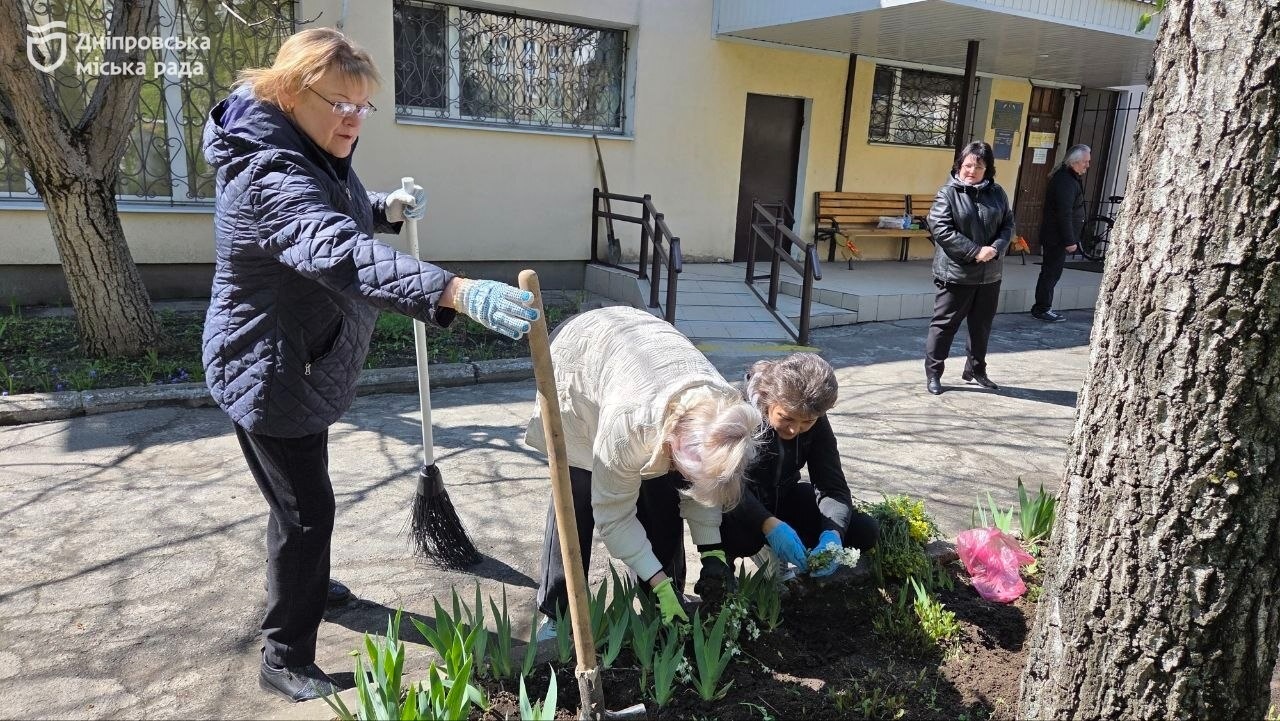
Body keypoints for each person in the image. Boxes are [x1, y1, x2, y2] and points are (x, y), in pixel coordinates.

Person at [200, 28, 539, 703]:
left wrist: (381, 207)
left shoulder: (303, 142)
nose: (354, 118)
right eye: (340, 103)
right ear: (293, 93)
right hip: (270, 371)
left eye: (364, 106)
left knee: (300, 500)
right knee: (306, 511)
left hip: (300, 362)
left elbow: (339, 211)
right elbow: (332, 246)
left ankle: (310, 584)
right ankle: (284, 653)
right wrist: (455, 290)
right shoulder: (266, 171)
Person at [527, 306, 763, 638]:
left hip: (645, 353)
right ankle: (557, 612)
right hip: (580, 366)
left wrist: (712, 551)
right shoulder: (626, 427)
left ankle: (663, 602)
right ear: (673, 444)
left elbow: (702, 488)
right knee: (576, 498)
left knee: (662, 500)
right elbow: (614, 517)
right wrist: (658, 581)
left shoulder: (724, 412)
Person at [717, 353, 878, 584]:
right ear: (769, 398)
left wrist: (832, 534)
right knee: (741, 539)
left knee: (863, 531)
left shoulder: (814, 416)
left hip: (784, 496)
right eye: (787, 418)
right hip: (739, 503)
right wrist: (767, 523)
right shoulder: (739, 412)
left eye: (807, 423)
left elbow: (832, 486)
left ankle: (782, 548)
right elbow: (726, 483)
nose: (795, 430)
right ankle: (734, 572)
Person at [924, 140, 1015, 395]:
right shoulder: (947, 193)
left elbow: (1008, 224)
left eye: (978, 166)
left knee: (981, 325)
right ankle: (934, 373)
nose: (971, 171)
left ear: (988, 169)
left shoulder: (997, 193)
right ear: (959, 166)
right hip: (957, 274)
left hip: (990, 275)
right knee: (944, 326)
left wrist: (994, 248)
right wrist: (976, 251)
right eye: (967, 165)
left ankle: (976, 369)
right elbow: (941, 229)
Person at [1032, 144, 1091, 322]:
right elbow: (1063, 213)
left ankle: (1042, 307)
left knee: (1052, 272)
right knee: (1051, 272)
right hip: (1056, 238)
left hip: (1057, 237)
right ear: (1075, 162)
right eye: (1085, 162)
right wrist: (1069, 240)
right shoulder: (1064, 180)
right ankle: (1042, 308)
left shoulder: (1070, 178)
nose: (1087, 166)